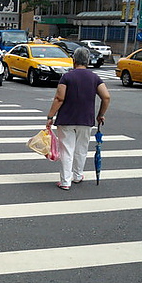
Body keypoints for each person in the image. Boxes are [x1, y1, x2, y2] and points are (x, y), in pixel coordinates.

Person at [46, 47, 110, 190]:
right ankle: (77, 175)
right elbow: (106, 97)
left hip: (66, 119)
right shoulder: (94, 77)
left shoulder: (67, 77)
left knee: (67, 150)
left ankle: (65, 181)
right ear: (87, 61)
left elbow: (59, 98)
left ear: (74, 60)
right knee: (81, 149)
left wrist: (50, 116)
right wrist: (100, 114)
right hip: (86, 120)